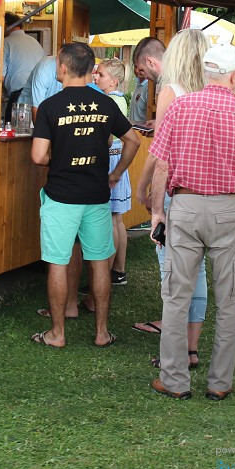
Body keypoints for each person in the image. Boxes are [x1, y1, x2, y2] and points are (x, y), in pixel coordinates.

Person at [149, 42, 235, 400]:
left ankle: (174, 380)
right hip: (230, 210)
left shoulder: (180, 107)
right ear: (234, 75)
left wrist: (158, 211)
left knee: (176, 296)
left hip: (184, 206)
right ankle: (219, 383)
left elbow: (162, 165)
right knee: (229, 298)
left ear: (206, 73)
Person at [29, 42, 140, 349]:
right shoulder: (105, 104)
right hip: (96, 195)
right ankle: (102, 332)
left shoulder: (50, 107)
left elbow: (38, 156)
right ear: (90, 70)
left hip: (61, 196)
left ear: (62, 68)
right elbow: (132, 141)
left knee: (58, 263)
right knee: (100, 263)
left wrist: (61, 157)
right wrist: (115, 175)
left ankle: (57, 333)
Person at [131, 30, 210, 374]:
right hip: (208, 192)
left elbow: (161, 151)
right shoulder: (210, 90)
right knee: (199, 273)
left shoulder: (170, 91)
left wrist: (144, 187)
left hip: (178, 192)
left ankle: (174, 351)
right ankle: (191, 349)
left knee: (173, 272)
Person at [95, 59, 132, 286]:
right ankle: (118, 270)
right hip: (119, 157)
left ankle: (106, 274)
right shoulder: (119, 99)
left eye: (100, 75)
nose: (96, 77)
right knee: (117, 219)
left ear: (114, 80)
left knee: (110, 219)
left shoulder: (109, 102)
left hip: (111, 159)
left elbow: (107, 136)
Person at [2, 13, 46, 123]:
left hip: (19, 94)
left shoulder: (6, 42)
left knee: (13, 130)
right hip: (39, 93)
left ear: (5, 25)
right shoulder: (34, 42)